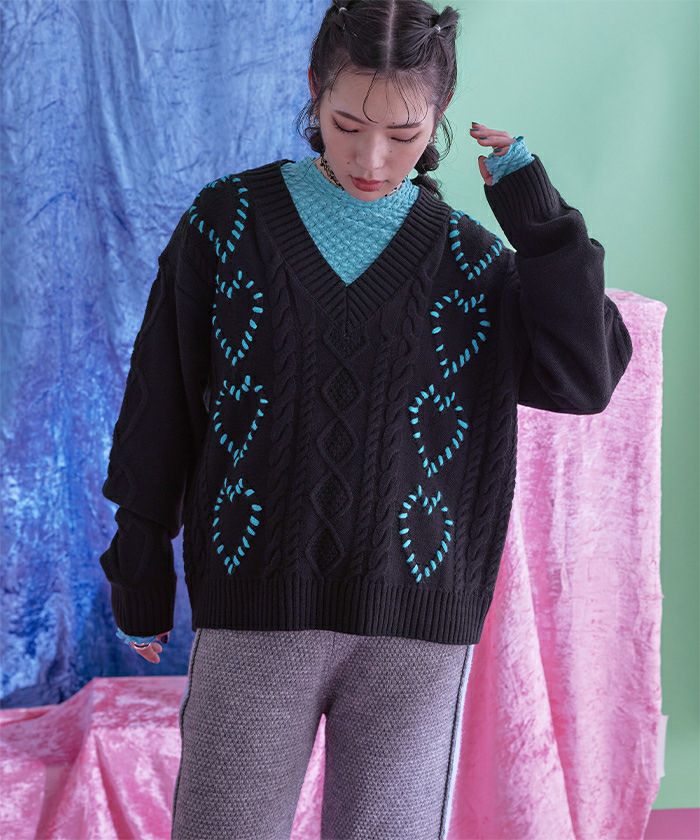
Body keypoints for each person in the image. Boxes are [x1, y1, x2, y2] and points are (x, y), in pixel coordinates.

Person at [98, 1, 633, 838]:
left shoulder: (471, 261)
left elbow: (584, 379)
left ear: (439, 116)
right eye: (347, 124)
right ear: (314, 89)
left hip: (416, 629)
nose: (371, 158)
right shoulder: (228, 224)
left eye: (404, 133)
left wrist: (538, 222)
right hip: (256, 609)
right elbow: (159, 399)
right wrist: (139, 566)